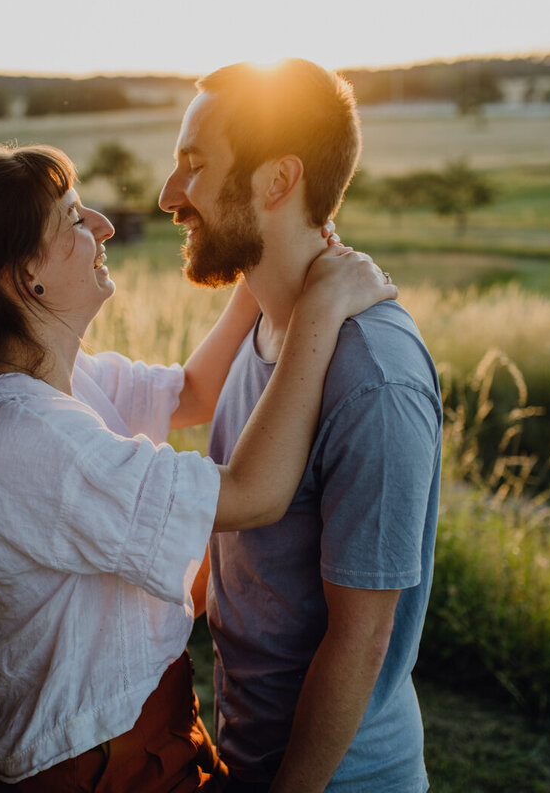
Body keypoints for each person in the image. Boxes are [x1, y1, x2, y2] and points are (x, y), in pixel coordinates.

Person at [0, 143, 396, 792]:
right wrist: (321, 308)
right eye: (71, 219)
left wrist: (264, 255)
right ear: (23, 276)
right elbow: (254, 494)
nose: (103, 226)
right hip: (101, 770)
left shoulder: (62, 383)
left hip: (142, 737)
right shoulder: (25, 436)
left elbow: (198, 392)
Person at [158, 60, 442, 793]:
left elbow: (362, 636)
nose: (169, 196)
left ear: (277, 181)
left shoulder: (375, 377)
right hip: (245, 750)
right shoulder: (267, 322)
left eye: (193, 166)